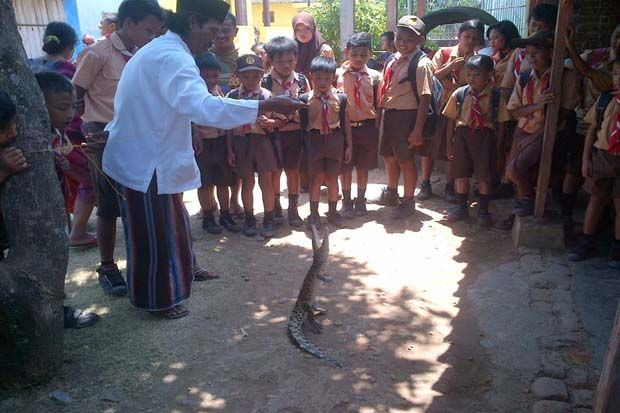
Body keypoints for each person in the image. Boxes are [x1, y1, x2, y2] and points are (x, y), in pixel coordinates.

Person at [102, 0, 304, 319]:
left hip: (150, 154)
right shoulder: (172, 56)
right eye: (212, 30)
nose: (214, 38)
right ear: (193, 22)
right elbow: (204, 107)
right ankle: (158, 299)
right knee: (152, 233)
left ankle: (182, 275)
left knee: (172, 222)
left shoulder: (166, 51)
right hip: (147, 160)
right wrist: (264, 107)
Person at [73, 0, 165, 297]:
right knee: (108, 203)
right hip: (102, 134)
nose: (151, 36)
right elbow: (76, 93)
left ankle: (140, 263)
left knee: (136, 199)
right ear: (129, 24)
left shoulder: (143, 55)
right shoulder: (97, 53)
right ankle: (108, 267)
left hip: (136, 133)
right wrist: (88, 131)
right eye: (148, 29)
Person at [33, 74, 101, 329]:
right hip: (37, 216)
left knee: (56, 259)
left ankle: (56, 308)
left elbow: (68, 155)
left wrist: (62, 162)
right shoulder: (28, 137)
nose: (70, 114)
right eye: (62, 108)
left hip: (57, 208)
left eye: (73, 106)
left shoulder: (57, 133)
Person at [29, 22, 97, 250]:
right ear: (70, 47)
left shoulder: (30, 66)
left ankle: (70, 228)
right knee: (89, 178)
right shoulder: (68, 71)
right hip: (67, 138)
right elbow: (76, 108)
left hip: (54, 140)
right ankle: (76, 233)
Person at [503, 31, 579, 219]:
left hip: (547, 132)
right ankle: (522, 208)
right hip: (523, 129)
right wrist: (537, 106)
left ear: (551, 53)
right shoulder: (525, 76)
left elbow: (564, 113)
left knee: (517, 169)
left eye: (536, 52)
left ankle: (529, 201)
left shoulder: (564, 77)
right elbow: (513, 111)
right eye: (528, 53)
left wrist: (536, 137)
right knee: (512, 173)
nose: (531, 57)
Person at [417, 19, 485, 204]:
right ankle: (425, 183)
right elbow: (429, 77)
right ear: (458, 36)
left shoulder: (478, 61)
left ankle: (449, 185)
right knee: (429, 147)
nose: (470, 41)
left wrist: (459, 85)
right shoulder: (444, 53)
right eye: (467, 36)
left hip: (460, 111)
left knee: (452, 149)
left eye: (475, 38)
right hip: (438, 108)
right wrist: (450, 67)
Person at [375, 16, 434, 220]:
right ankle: (391, 193)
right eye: (399, 38)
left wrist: (417, 129)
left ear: (420, 40)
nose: (402, 43)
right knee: (389, 156)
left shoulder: (421, 64)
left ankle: (409, 201)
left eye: (408, 39)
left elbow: (425, 96)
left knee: (406, 160)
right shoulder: (392, 59)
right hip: (390, 115)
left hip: (407, 117)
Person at [567, 58, 620, 268]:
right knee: (596, 200)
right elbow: (591, 131)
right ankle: (587, 240)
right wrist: (585, 159)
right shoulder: (605, 100)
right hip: (603, 157)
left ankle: (617, 247)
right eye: (616, 74)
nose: (619, 79)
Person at [444, 55, 508, 227]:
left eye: (477, 74)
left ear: (489, 74)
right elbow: (450, 119)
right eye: (469, 74)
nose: (472, 78)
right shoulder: (459, 94)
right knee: (461, 174)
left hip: (485, 137)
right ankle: (461, 208)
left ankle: (483, 211)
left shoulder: (496, 97)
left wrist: (498, 144)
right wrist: (449, 143)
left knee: (484, 176)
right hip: (462, 136)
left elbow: (502, 123)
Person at [226, 54, 279, 238]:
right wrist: (229, 149)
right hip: (240, 142)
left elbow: (275, 121)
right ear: (237, 76)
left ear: (262, 75)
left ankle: (269, 218)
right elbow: (228, 125)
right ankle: (249, 218)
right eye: (245, 76)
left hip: (261, 141)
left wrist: (268, 122)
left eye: (255, 76)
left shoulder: (266, 95)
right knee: (247, 181)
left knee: (266, 180)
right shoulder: (232, 96)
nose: (250, 80)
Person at [262, 36, 310, 227]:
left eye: (290, 60)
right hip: (272, 134)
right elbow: (260, 107)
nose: (286, 65)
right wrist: (269, 122)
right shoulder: (265, 81)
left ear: (296, 59)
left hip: (294, 133)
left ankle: (293, 208)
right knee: (275, 171)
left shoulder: (302, 80)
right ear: (271, 60)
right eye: (280, 61)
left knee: (293, 171)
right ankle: (275, 206)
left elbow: (306, 105)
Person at [301, 57, 352, 229]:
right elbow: (302, 126)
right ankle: (314, 214)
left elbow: (345, 123)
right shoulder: (304, 99)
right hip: (314, 141)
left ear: (333, 78)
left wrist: (348, 146)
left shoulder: (341, 99)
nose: (322, 82)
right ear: (311, 77)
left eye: (327, 78)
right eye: (318, 78)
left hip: (334, 141)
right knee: (316, 179)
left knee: (332, 178)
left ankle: (333, 212)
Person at [193, 52, 240, 235]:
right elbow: (190, 117)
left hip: (220, 142)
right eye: (205, 76)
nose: (210, 80)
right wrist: (194, 131)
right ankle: (208, 217)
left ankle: (225, 214)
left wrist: (229, 149)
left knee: (223, 181)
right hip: (203, 145)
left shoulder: (221, 92)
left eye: (214, 75)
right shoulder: (194, 95)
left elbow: (227, 122)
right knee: (204, 183)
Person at [336, 32, 381, 218]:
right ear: (347, 52)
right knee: (344, 167)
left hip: (366, 127)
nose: (358, 59)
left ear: (370, 53)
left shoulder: (376, 77)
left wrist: (376, 128)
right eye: (354, 54)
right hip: (344, 128)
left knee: (363, 166)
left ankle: (361, 200)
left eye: (363, 54)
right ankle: (346, 201)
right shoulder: (336, 75)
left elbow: (378, 104)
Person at [487, 20, 521, 197]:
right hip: (495, 106)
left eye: (496, 38)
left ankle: (506, 183)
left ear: (507, 36)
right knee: (496, 145)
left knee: (506, 146)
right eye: (490, 39)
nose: (492, 42)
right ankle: (495, 180)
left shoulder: (518, 55)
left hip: (510, 106)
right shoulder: (495, 57)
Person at [500, 4, 558, 95]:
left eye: (543, 26)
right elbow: (507, 86)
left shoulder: (557, 54)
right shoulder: (518, 53)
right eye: (533, 24)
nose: (536, 30)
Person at [209, 13, 244, 94]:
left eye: (225, 31)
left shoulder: (245, 57)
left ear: (236, 31)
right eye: (216, 31)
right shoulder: (204, 57)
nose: (220, 35)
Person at [292, 11, 334, 76]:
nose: (302, 33)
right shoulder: (291, 50)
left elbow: (329, 75)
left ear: (313, 28)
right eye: (298, 30)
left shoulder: (324, 51)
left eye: (306, 28)